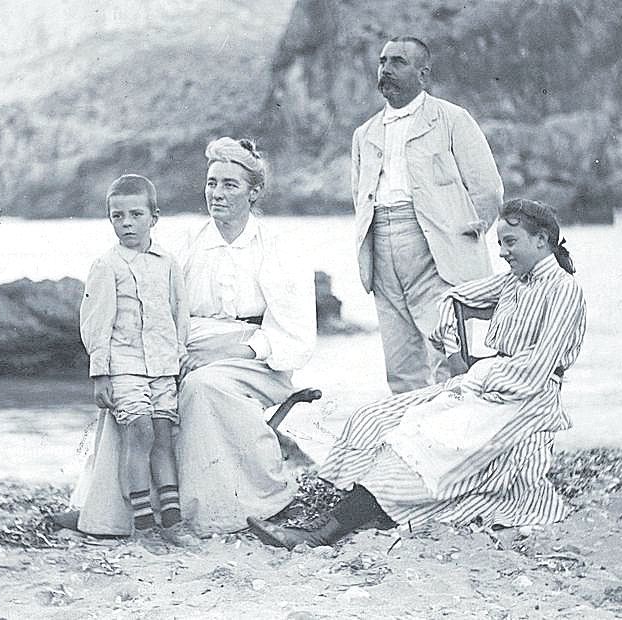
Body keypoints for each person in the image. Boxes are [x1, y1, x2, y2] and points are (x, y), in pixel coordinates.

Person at [248, 198, 586, 549]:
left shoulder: (564, 290)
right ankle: (339, 514)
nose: (501, 252)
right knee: (373, 418)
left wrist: (478, 380)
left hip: (526, 397)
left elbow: (538, 366)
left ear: (541, 240)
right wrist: (456, 354)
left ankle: (323, 533)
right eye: (499, 243)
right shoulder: (515, 283)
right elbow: (452, 299)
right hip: (486, 383)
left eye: (510, 242)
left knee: (421, 448)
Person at [175, 137, 316, 535]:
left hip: (256, 359)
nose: (216, 194)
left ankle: (230, 506)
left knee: (202, 385)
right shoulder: (188, 242)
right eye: (211, 183)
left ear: (255, 192)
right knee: (134, 383)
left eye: (230, 185)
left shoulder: (277, 247)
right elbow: (167, 310)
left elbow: (292, 330)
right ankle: (113, 507)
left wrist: (221, 353)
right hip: (189, 347)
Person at [352, 35, 504, 394]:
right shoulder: (365, 134)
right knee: (400, 360)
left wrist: (462, 237)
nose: (386, 69)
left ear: (423, 75)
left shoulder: (452, 119)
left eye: (398, 62)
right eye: (382, 61)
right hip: (381, 246)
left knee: (450, 349)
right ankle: (411, 442)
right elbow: (359, 197)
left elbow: (488, 190)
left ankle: (458, 440)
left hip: (437, 246)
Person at [77, 174, 190, 541]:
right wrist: (100, 373)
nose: (126, 223)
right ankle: (142, 523)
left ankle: (171, 521)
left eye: (136, 214)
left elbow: (179, 313)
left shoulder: (168, 263)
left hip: (161, 366)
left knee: (163, 435)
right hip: (124, 366)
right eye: (117, 216)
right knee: (138, 431)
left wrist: (180, 352)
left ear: (154, 217)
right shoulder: (106, 266)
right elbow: (96, 322)